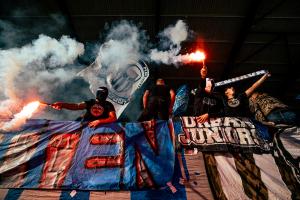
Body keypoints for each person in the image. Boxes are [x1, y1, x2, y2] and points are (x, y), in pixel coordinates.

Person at [51, 86, 117, 128]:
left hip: (100, 129)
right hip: (85, 126)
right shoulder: (91, 102)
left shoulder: (108, 104)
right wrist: (62, 104)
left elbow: (113, 118)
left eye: (104, 93)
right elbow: (76, 106)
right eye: (101, 93)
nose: (102, 95)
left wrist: (99, 121)